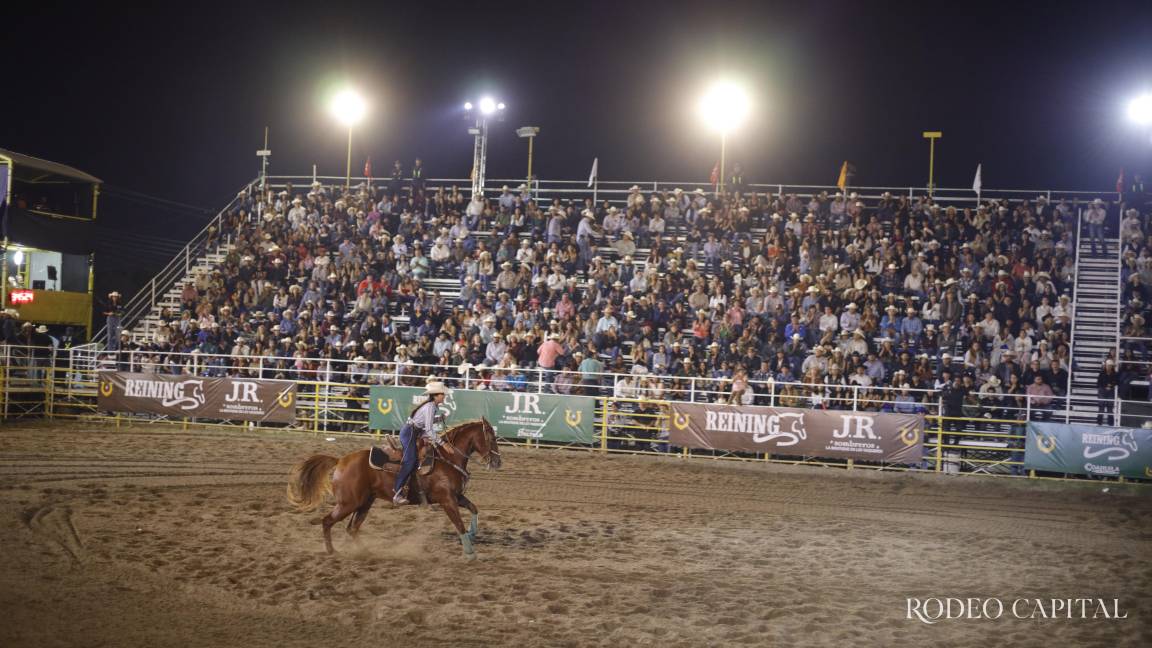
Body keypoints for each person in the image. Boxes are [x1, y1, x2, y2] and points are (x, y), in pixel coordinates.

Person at [393, 381, 449, 505]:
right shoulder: (430, 407)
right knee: (411, 461)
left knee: (418, 460)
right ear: (436, 395)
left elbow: (425, 423)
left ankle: (415, 490)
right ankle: (396, 491)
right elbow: (428, 429)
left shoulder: (432, 406)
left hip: (413, 432)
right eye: (442, 394)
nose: (444, 396)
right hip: (410, 433)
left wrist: (439, 419)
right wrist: (442, 443)